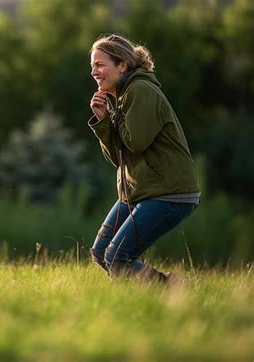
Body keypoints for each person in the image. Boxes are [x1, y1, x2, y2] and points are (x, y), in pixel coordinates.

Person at [87, 34, 200, 282]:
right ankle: (151, 294)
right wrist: (104, 121)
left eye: (100, 64)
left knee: (118, 258)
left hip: (169, 191)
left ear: (123, 65)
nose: (94, 72)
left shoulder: (140, 91)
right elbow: (118, 158)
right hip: (142, 190)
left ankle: (171, 287)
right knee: (100, 252)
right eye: (92, 66)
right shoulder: (121, 96)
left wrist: (110, 120)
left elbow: (135, 144)